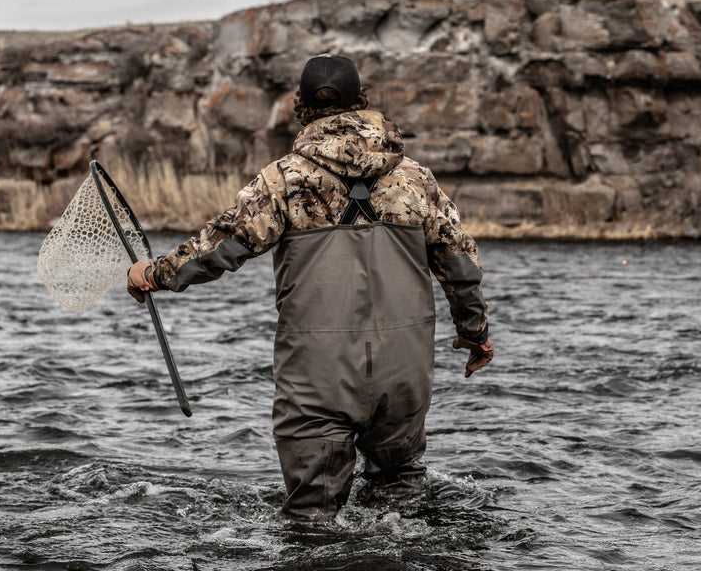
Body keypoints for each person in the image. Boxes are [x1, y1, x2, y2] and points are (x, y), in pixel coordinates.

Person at [125, 54, 493, 521]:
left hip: (317, 376)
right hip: (405, 369)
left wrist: (153, 274)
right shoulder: (416, 180)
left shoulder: (282, 180)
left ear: (301, 108)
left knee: (311, 520)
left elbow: (221, 246)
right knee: (399, 506)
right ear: (363, 102)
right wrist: (474, 332)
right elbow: (460, 264)